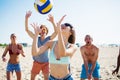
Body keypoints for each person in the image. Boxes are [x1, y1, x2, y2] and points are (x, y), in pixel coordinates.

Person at [31, 15, 77, 80]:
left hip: (67, 78)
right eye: (62, 25)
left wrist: (59, 33)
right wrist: (36, 35)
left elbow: (62, 53)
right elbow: (35, 53)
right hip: (52, 78)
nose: (63, 25)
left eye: (66, 25)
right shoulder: (50, 43)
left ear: (71, 32)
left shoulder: (73, 46)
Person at [25, 11, 57, 80]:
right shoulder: (36, 37)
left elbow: (56, 32)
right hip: (36, 62)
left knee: (47, 78)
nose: (42, 31)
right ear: (39, 32)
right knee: (32, 78)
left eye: (44, 30)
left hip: (46, 63)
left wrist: (53, 22)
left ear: (46, 31)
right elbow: (27, 30)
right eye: (41, 29)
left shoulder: (49, 39)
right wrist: (26, 18)